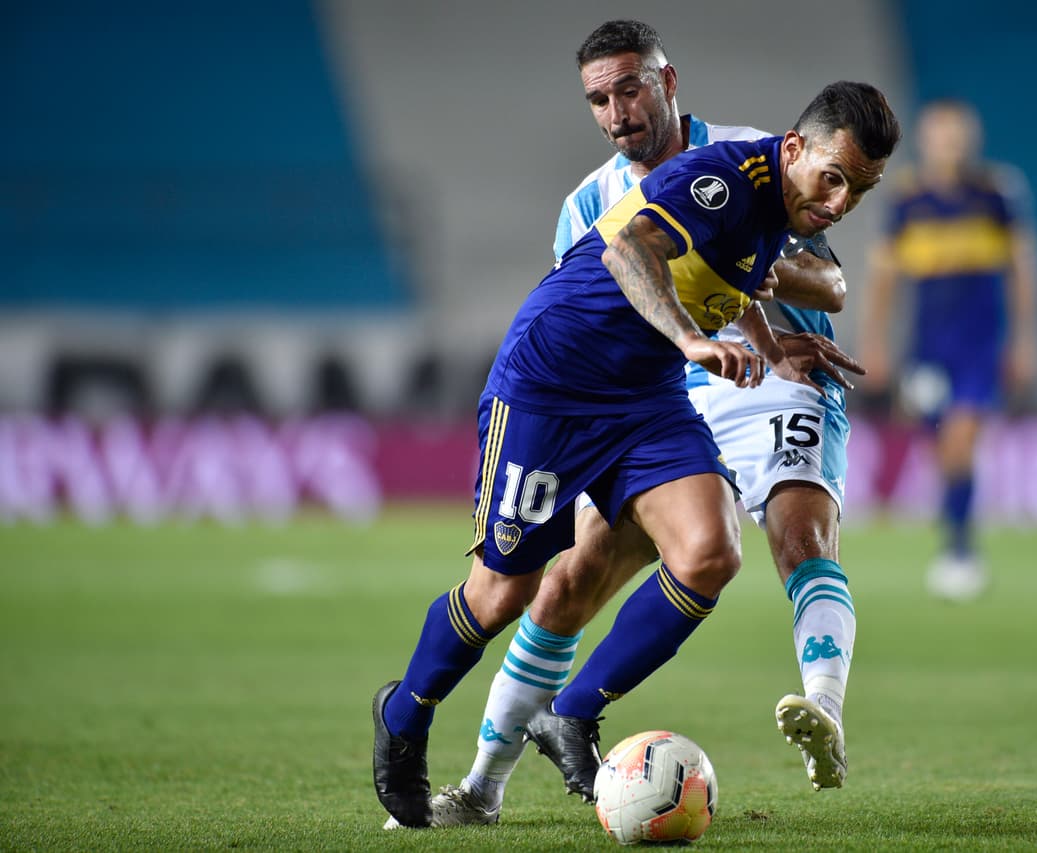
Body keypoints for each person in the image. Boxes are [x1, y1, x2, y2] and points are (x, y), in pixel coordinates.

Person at [372, 72, 899, 829]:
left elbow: (738, 276)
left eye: (859, 190)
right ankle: (403, 714)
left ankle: (571, 712)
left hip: (646, 396)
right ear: (793, 149)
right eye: (835, 178)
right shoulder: (723, 179)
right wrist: (690, 339)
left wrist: (766, 342)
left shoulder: (778, 207)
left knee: (710, 552)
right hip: (553, 384)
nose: (840, 203)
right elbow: (628, 249)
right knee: (502, 595)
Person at [859, 98, 1037, 601]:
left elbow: (1024, 270)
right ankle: (956, 537)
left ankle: (960, 552)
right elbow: (883, 279)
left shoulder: (996, 193)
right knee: (944, 448)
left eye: (958, 135)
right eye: (942, 135)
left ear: (972, 139)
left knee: (961, 437)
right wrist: (874, 343)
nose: (951, 145)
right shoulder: (907, 200)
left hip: (979, 347)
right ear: (925, 141)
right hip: (927, 349)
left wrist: (1026, 339)